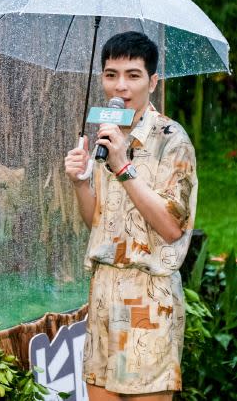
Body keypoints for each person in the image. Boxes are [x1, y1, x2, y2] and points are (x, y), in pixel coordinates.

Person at [64, 31, 198, 400]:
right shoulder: (107, 135)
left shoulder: (172, 139)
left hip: (149, 299)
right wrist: (80, 184)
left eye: (133, 75)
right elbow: (98, 222)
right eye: (111, 74)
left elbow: (172, 227)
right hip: (104, 292)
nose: (120, 85)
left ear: (153, 82)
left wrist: (123, 166)